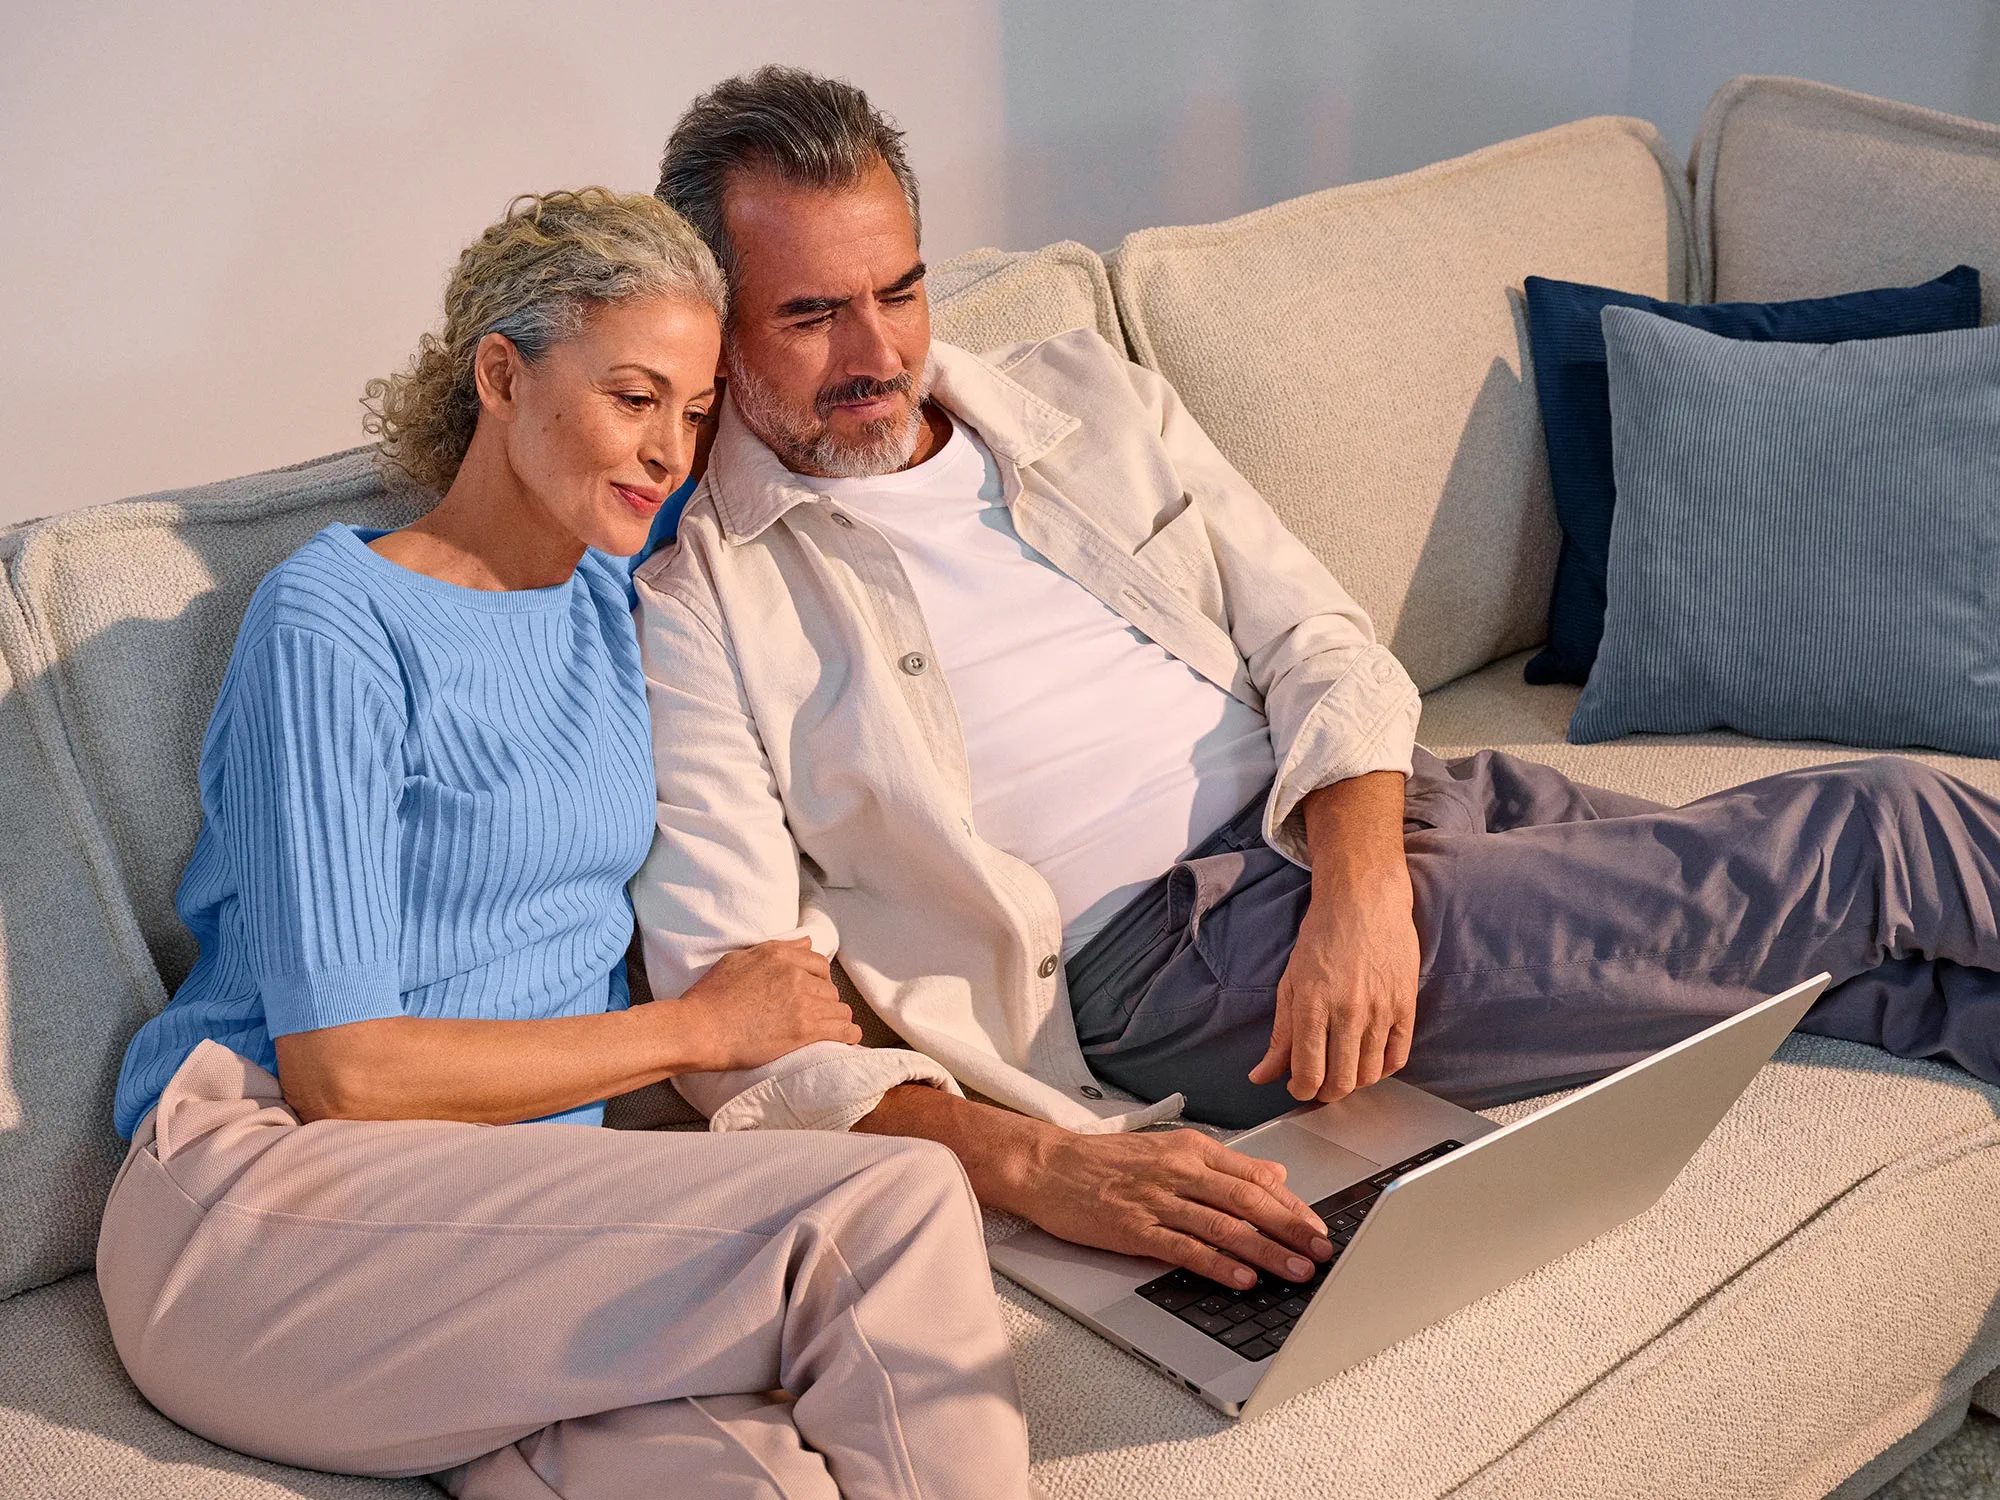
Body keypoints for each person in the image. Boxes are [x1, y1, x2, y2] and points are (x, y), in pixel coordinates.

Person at [630, 65, 2000, 1299]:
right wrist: (1036, 1165)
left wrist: (1360, 889)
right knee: (1878, 837)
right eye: (810, 313)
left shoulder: (1083, 399)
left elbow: (1321, 643)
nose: (875, 352)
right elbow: (730, 1014)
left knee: (1883, 989)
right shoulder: (703, 598)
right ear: (716, 328)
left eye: (899, 289)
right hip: (1181, 962)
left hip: (1363, 811)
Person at [96, 187, 1037, 1500]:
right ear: (501, 375)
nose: (670, 449)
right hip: (265, 1208)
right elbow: (344, 1072)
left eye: (696, 412)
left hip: (505, 1217)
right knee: (892, 1205)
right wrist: (699, 1029)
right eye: (635, 398)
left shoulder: (622, 603)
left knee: (766, 1484)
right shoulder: (336, 620)